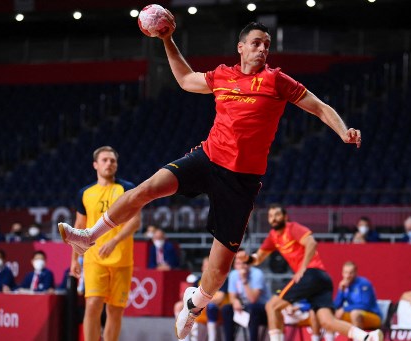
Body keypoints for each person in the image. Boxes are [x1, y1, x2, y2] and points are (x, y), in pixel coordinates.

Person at [57, 16, 362, 340]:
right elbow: (187, 79)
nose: (262, 49)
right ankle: (90, 235)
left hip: (241, 181)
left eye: (267, 46)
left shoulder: (277, 81)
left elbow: (318, 107)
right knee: (145, 189)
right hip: (207, 157)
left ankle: (194, 305)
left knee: (217, 271)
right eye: (256, 43)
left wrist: (344, 131)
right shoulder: (223, 75)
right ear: (241, 47)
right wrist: (167, 41)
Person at [237, 204, 382, 341]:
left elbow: (312, 242)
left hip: (312, 274)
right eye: (270, 216)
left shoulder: (292, 227)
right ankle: (367, 337)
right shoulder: (273, 236)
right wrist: (247, 258)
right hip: (322, 279)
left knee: (271, 306)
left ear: (285, 216)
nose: (273, 218)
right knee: (327, 322)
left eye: (277, 215)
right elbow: (258, 258)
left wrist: (302, 268)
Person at [64, 146, 141, 341]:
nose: (109, 163)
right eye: (105, 160)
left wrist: (115, 241)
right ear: (95, 165)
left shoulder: (127, 188)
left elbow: (135, 221)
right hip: (94, 258)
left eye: (113, 160)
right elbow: (79, 227)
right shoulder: (85, 193)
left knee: (115, 311)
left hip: (122, 258)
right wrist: (74, 259)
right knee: (92, 305)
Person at [174, 256, 229, 341]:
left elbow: (220, 298)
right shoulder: (198, 281)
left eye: (209, 266)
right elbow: (193, 297)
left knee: (205, 308)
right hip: (201, 308)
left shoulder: (220, 280)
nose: (206, 269)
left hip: (215, 309)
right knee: (179, 306)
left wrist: (203, 302)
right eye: (205, 266)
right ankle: (184, 339)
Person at [221, 253, 270, 341]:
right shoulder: (233, 275)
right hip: (245, 307)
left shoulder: (257, 274)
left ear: (249, 264)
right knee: (227, 309)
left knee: (253, 308)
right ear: (235, 265)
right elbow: (232, 297)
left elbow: (253, 299)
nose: (242, 266)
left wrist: (244, 280)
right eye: (238, 264)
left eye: (244, 263)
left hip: (262, 308)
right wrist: (235, 301)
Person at [333, 261, 382, 329]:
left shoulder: (364, 284)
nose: (347, 276)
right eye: (345, 273)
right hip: (354, 314)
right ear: (342, 273)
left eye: (350, 273)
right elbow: (336, 306)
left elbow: (365, 305)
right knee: (331, 314)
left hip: (373, 316)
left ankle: (360, 338)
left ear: (355, 273)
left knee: (355, 313)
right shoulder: (344, 285)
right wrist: (341, 291)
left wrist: (345, 308)